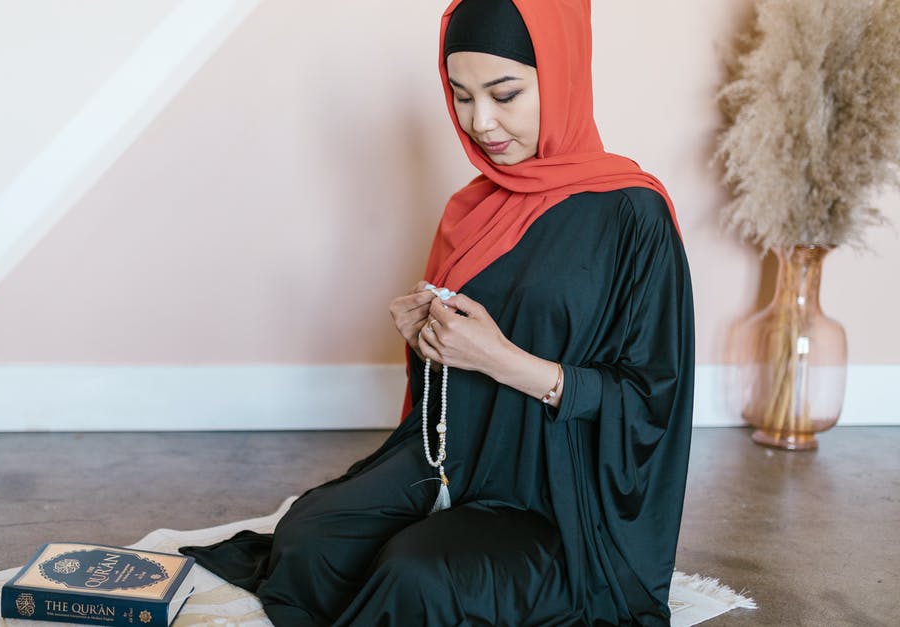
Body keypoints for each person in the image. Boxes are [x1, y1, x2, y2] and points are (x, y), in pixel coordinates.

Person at [179, 0, 695, 624]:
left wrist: (507, 362)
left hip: (561, 500)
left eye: (505, 94)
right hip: (455, 460)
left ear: (562, 77)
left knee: (417, 575)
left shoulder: (633, 216)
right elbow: (451, 385)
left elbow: (652, 402)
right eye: (462, 95)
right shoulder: (474, 206)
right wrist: (432, 343)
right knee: (307, 541)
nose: (481, 122)